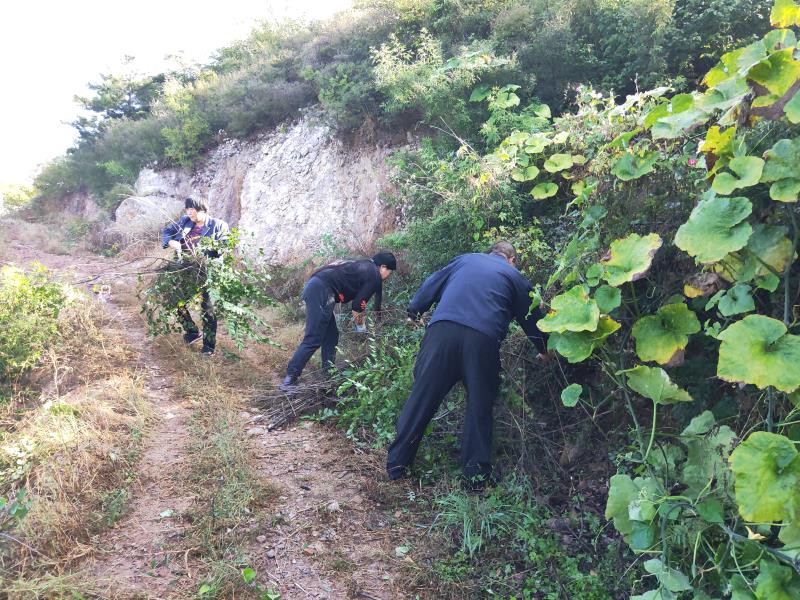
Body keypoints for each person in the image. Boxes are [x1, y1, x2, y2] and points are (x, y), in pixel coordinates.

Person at [386, 241, 548, 488]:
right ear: (511, 259)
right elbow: (531, 315)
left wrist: (414, 311)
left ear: (489, 253)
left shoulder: (465, 260)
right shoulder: (514, 276)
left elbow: (433, 282)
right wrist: (545, 348)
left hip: (441, 332)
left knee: (422, 398)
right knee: (479, 407)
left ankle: (396, 466)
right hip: (482, 340)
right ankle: (475, 479)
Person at [280, 251, 397, 390]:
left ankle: (327, 374)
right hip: (322, 290)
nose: (388, 276)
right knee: (314, 337)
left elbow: (368, 304)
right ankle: (290, 379)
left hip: (318, 286)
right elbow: (357, 306)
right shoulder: (374, 274)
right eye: (389, 272)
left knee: (331, 335)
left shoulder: (364, 265)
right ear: (383, 267)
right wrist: (361, 329)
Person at [161, 197, 230, 356]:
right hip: (185, 269)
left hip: (208, 272)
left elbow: (225, 246)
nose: (190, 212)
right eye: (187, 209)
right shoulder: (185, 222)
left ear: (203, 209)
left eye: (193, 209)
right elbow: (166, 232)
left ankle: (208, 348)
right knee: (175, 301)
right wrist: (171, 242)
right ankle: (192, 332)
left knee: (208, 310)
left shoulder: (218, 225)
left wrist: (205, 251)